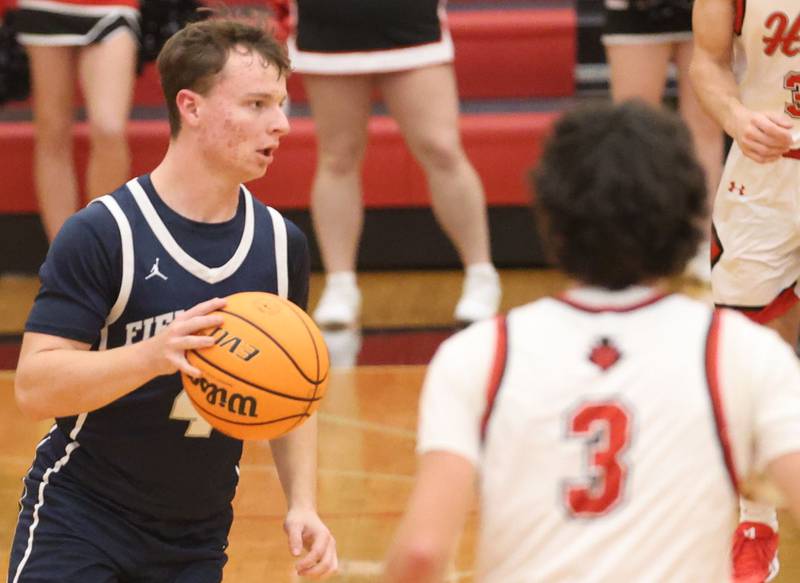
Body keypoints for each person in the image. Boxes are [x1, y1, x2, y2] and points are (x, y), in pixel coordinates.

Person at [383, 102, 800, 583]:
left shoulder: (479, 354)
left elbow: (421, 553)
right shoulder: (745, 353)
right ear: (688, 214)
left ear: (551, 216)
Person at [9, 17, 337, 582]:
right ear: (191, 107)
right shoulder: (104, 232)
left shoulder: (283, 246)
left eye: (281, 104)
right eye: (257, 104)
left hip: (196, 538)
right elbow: (34, 386)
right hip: (82, 519)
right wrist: (153, 355)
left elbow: (294, 390)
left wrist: (302, 502)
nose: (280, 124)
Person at [287, 0, 501, 327]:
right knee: (337, 156)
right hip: (327, 21)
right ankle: (340, 283)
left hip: (409, 17)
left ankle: (481, 273)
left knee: (441, 147)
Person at [690, 0, 798, 580]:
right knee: (751, 353)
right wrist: (734, 117)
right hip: (765, 170)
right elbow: (706, 60)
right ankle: (756, 521)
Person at [602, 0, 723, 282]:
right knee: (633, 128)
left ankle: (705, 242)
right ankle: (638, 244)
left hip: (704, 8)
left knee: (705, 128)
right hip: (633, 10)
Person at [12, 0, 140, 242]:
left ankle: (104, 250)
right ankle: (64, 261)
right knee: (52, 131)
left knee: (109, 128)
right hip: (43, 7)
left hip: (112, 7)